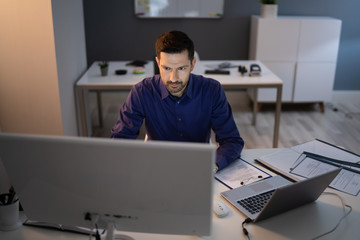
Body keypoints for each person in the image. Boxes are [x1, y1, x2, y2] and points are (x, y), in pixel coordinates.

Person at [111, 30, 244, 171]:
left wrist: (213, 165)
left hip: (199, 165)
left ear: (192, 64)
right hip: (156, 165)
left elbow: (232, 140)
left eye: (181, 68)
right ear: (158, 62)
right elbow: (120, 140)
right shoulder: (142, 91)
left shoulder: (212, 90)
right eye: (167, 68)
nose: (173, 78)